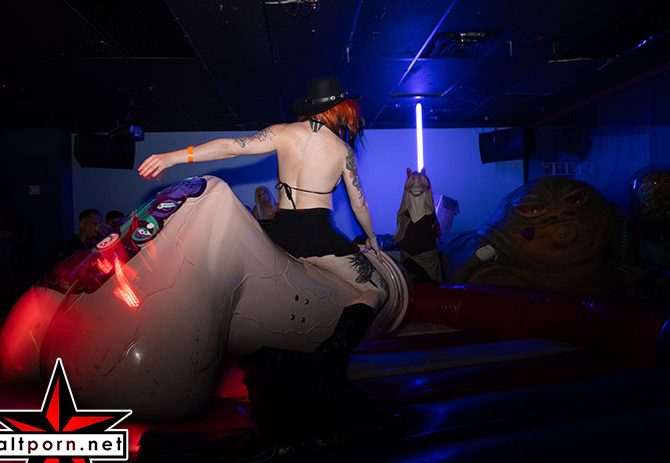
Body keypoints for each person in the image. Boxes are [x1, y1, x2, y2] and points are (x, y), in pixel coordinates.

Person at [138, 77, 388, 375]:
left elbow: (231, 147)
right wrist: (372, 238)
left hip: (280, 232)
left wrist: (173, 157)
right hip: (319, 235)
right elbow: (360, 204)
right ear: (339, 109)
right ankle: (332, 352)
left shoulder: (283, 132)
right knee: (377, 289)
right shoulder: (342, 150)